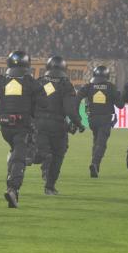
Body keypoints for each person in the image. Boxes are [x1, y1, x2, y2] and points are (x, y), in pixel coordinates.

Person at [0, 50, 42, 208]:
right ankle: (13, 187)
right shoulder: (31, 82)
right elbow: (43, 104)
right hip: (22, 125)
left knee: (15, 152)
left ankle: (12, 179)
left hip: (4, 126)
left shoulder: (0, 80)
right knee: (20, 155)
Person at [32, 56, 84, 195]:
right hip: (57, 126)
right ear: (64, 68)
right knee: (57, 155)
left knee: (42, 153)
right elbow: (70, 110)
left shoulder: (38, 82)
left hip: (38, 124)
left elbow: (30, 104)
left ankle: (23, 159)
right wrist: (78, 123)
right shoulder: (66, 84)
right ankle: (49, 187)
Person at [76, 65, 121, 178]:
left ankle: (95, 166)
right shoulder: (110, 87)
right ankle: (95, 163)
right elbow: (120, 105)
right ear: (107, 75)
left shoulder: (90, 86)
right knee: (101, 143)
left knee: (96, 142)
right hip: (105, 119)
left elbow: (77, 97)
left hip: (92, 120)